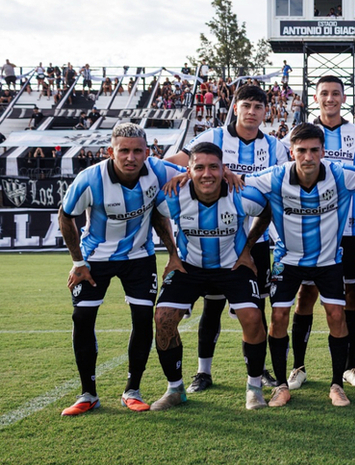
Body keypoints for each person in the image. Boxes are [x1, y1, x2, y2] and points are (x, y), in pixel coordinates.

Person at [243, 123, 355, 407]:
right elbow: (236, 178)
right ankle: (282, 386)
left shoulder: (340, 174)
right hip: (288, 260)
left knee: (337, 315)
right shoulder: (275, 177)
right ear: (291, 152)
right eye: (301, 150)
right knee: (278, 318)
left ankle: (336, 384)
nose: (308, 156)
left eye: (314, 150)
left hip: (328, 260)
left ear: (323, 151)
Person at [164, 84, 288, 394]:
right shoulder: (212, 137)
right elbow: (170, 162)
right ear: (235, 108)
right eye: (246, 106)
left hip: (253, 242)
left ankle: (259, 373)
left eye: (258, 108)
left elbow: (280, 185)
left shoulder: (276, 146)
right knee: (212, 308)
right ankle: (203, 372)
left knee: (255, 311)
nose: (251, 112)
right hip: (210, 241)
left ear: (265, 113)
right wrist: (185, 172)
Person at [58, 123, 185, 416]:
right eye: (124, 150)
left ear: (147, 152)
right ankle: (88, 394)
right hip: (94, 259)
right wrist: (78, 262)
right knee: (82, 317)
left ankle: (133, 390)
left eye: (137, 150)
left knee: (143, 319)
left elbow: (197, 169)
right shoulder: (89, 179)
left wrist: (173, 255)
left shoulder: (158, 170)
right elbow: (66, 217)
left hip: (139, 257)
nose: (131, 157)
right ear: (110, 151)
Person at [150, 142, 270, 411]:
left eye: (213, 167)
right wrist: (172, 253)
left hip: (232, 267)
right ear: (188, 170)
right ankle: (175, 389)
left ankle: (254, 387)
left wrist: (248, 249)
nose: (207, 174)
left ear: (223, 170)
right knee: (163, 317)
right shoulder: (173, 195)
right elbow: (158, 216)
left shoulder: (242, 194)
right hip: (189, 267)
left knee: (252, 317)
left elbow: (266, 211)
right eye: (199, 167)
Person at [281, 76, 355, 390]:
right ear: (315, 98)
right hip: (307, 230)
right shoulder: (298, 134)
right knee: (305, 295)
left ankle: (350, 367)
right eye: (324, 94)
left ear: (344, 97)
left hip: (347, 231)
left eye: (335, 93)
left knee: (349, 296)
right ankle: (298, 367)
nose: (330, 98)